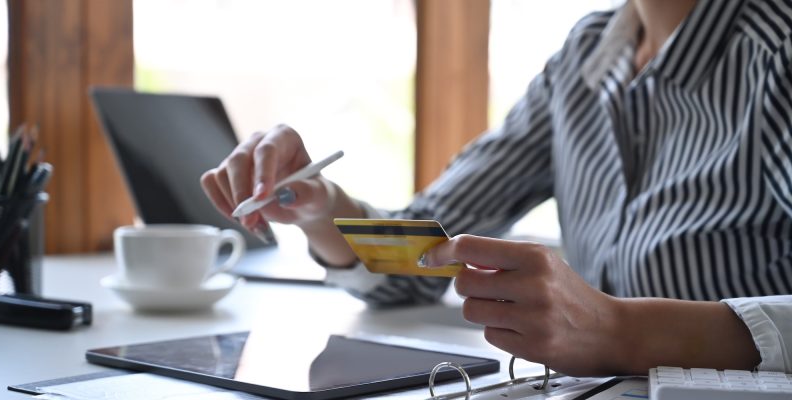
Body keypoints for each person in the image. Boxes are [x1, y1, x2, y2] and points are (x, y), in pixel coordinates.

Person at [201, 0, 792, 376]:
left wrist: (620, 331)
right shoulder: (584, 55)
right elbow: (424, 255)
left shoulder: (778, 53)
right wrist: (318, 206)